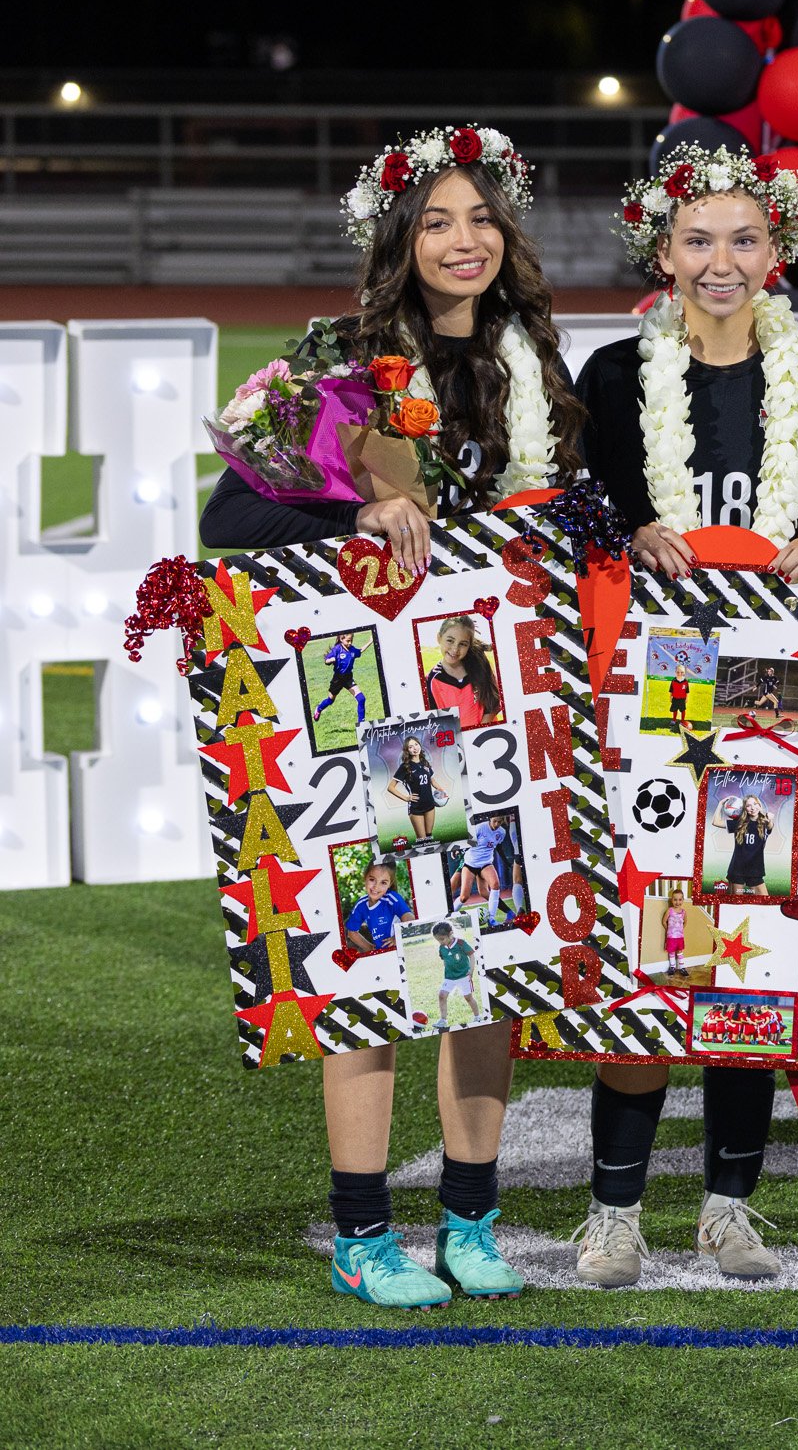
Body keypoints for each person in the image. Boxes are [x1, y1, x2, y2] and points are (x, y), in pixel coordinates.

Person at [198, 125, 579, 1310]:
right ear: (398, 237)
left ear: (505, 232)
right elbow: (230, 521)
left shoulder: (538, 359)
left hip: (498, 709)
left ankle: (471, 1218)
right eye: (435, 221)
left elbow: (567, 521)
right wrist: (356, 506)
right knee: (373, 974)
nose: (461, 242)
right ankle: (365, 1233)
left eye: (479, 219)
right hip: (371, 722)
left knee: (486, 975)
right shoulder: (346, 363)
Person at [574, 143, 798, 1293]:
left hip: (779, 689)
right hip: (652, 688)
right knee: (657, 942)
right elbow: (574, 528)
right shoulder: (613, 373)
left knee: (753, 949)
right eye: (698, 240)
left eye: (743, 239)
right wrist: (622, 537)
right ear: (661, 251)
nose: (721, 261)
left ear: (775, 250)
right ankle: (613, 1212)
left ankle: (729, 1204)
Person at [425, 614, 502, 729]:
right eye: (450, 641)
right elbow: (435, 724)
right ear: (439, 638)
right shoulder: (431, 681)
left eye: (463, 644)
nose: (455, 649)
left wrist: (480, 733)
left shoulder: (479, 665)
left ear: (469, 645)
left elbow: (493, 703)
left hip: (488, 735)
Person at [344, 860, 412, 955]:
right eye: (372, 880)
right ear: (365, 877)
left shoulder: (392, 899)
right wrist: (370, 948)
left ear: (390, 883)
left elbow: (411, 920)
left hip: (402, 951)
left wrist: (397, 938)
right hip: (382, 955)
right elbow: (352, 932)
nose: (376, 887)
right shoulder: (361, 905)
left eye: (383, 882)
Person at [385, 735, 441, 847]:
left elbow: (432, 781)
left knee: (429, 837)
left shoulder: (425, 763)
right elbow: (390, 787)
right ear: (407, 750)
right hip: (416, 808)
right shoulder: (405, 767)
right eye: (410, 747)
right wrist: (406, 798)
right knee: (422, 841)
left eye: (416, 744)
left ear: (419, 745)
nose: (415, 748)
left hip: (430, 805)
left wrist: (442, 790)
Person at [433, 921, 483, 1027]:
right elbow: (444, 959)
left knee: (468, 997)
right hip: (449, 977)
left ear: (451, 934)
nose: (440, 942)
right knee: (442, 995)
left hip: (464, 976)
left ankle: (477, 1017)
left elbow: (472, 955)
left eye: (442, 939)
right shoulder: (442, 947)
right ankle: (443, 1020)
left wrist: (471, 970)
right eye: (438, 940)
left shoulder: (461, 943)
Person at [315, 635, 370, 726]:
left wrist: (370, 641)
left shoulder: (352, 649)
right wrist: (331, 659)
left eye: (351, 640)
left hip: (348, 678)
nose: (350, 643)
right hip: (337, 679)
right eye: (348, 641)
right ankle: (319, 708)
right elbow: (326, 660)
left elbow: (360, 651)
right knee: (330, 700)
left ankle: (362, 726)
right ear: (341, 639)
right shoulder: (337, 649)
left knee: (361, 699)